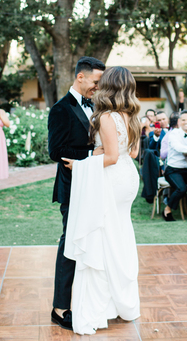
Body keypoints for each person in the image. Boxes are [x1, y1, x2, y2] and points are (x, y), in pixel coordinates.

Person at [61, 66, 141, 335]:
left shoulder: (107, 116)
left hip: (113, 178)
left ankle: (103, 306)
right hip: (128, 178)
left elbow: (110, 158)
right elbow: (132, 152)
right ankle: (122, 302)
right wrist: (100, 149)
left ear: (108, 85)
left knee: (103, 238)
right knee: (119, 235)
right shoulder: (131, 115)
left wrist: (80, 165)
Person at [47, 56, 106, 331]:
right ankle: (60, 308)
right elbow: (56, 152)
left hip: (94, 183)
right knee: (69, 243)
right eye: (96, 82)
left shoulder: (94, 105)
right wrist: (91, 154)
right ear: (80, 77)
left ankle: (86, 300)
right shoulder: (61, 109)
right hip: (72, 185)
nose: (98, 87)